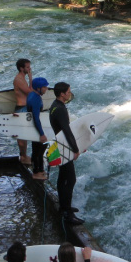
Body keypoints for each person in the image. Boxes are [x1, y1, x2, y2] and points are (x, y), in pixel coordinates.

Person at [49, 82, 83, 224]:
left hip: (59, 144)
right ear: (62, 94)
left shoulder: (54, 105)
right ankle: (68, 214)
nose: (70, 93)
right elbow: (66, 131)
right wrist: (75, 149)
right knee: (70, 179)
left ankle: (64, 207)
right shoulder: (61, 109)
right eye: (68, 91)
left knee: (63, 177)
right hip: (64, 147)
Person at [27, 77, 50, 179]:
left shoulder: (32, 95)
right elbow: (36, 118)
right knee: (39, 150)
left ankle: (39, 169)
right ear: (38, 88)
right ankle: (37, 172)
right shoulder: (36, 99)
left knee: (36, 149)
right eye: (44, 87)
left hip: (32, 127)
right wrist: (41, 134)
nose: (46, 89)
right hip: (36, 127)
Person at [14, 58, 34, 165]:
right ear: (21, 68)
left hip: (25, 108)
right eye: (27, 67)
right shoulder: (19, 79)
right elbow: (29, 92)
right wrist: (31, 78)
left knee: (24, 135)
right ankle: (23, 156)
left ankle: (24, 156)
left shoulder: (22, 78)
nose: (29, 69)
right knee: (22, 136)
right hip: (21, 108)